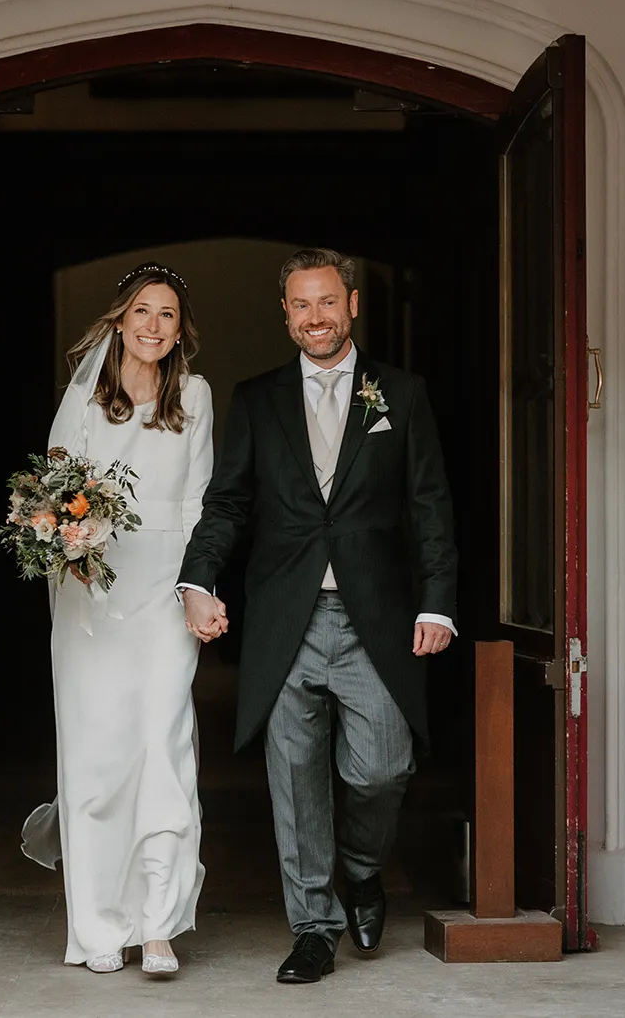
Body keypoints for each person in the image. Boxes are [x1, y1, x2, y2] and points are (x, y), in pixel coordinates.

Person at [177, 247, 458, 984]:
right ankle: (313, 927)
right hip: (287, 618)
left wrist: (438, 599)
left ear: (353, 304)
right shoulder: (259, 397)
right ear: (286, 313)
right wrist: (197, 578)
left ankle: (363, 870)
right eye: (301, 305)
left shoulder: (400, 392)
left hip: (378, 619)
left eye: (327, 302)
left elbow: (429, 503)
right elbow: (229, 502)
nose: (315, 318)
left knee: (381, 769)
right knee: (295, 782)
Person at [21, 262, 212, 977]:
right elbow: (53, 496)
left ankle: (159, 925)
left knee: (165, 749)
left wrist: (199, 587)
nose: (153, 326)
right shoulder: (84, 405)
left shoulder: (195, 396)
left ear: (178, 328)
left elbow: (200, 506)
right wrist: (66, 542)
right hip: (92, 599)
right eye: (142, 311)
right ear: (119, 319)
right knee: (98, 762)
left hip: (164, 596)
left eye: (167, 314)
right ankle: (99, 924)